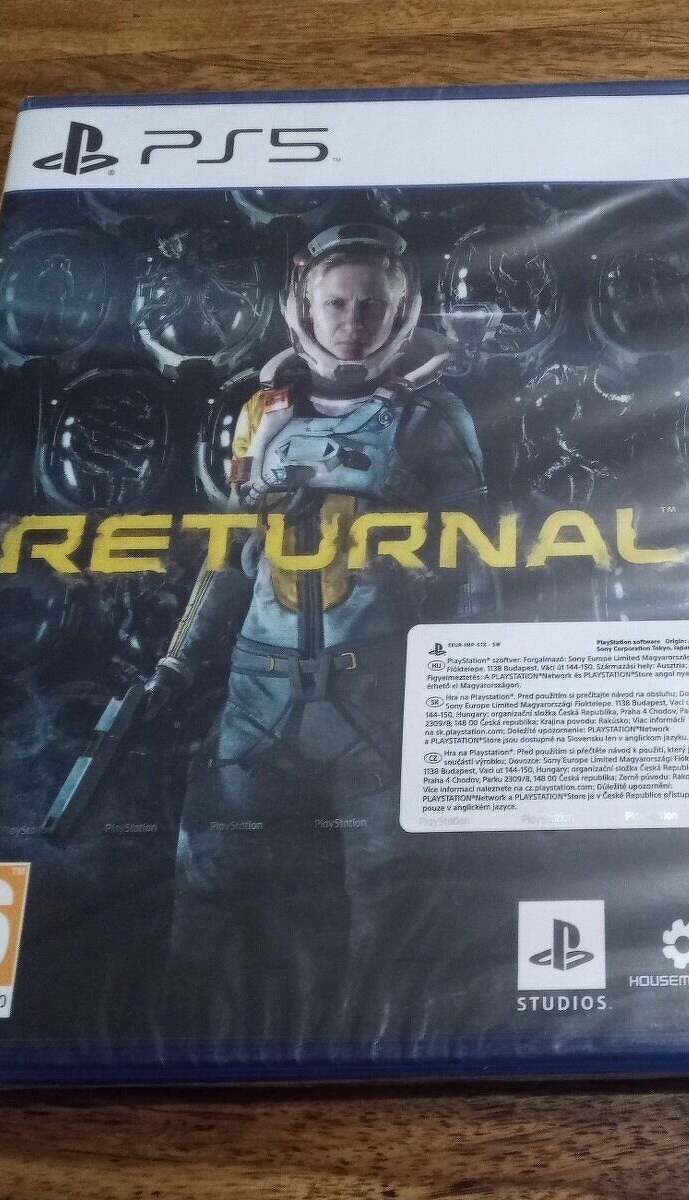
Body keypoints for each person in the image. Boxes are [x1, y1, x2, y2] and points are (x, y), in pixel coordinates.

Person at [150, 224, 496, 1045]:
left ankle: (385, 1057)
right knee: (209, 872)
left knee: (390, 886)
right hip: (260, 690)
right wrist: (176, 661)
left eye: (371, 305)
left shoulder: (432, 416)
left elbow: (479, 565)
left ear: (400, 311)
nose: (351, 321)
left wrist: (474, 686)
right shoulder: (262, 415)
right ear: (302, 309)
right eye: (335, 303)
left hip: (376, 693)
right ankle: (168, 1049)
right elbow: (228, 556)